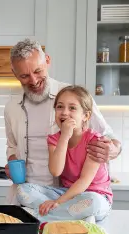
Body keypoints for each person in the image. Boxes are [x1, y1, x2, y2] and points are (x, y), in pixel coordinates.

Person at [4, 38, 121, 206]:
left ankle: (54, 212)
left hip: (65, 193)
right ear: (14, 73)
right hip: (30, 194)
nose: (34, 80)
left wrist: (113, 148)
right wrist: (12, 160)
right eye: (24, 76)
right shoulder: (11, 108)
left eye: (38, 71)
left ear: (48, 61)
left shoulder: (71, 97)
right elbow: (12, 146)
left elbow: (108, 135)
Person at [17, 85, 112, 223]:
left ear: (85, 116)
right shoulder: (54, 139)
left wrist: (58, 202)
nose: (64, 112)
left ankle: (35, 216)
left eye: (72, 108)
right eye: (60, 107)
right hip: (67, 194)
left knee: (93, 202)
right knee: (23, 190)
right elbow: (56, 171)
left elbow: (84, 181)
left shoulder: (94, 140)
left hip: (95, 196)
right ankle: (75, 217)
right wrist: (65, 137)